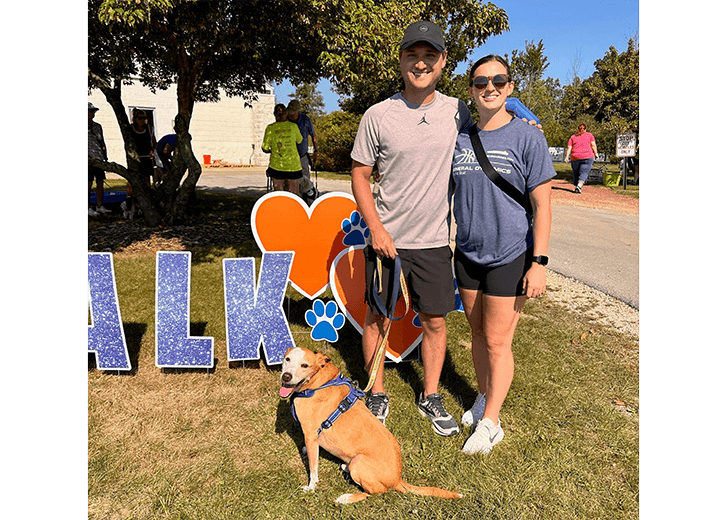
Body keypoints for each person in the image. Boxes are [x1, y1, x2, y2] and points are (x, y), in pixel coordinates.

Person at [350, 21, 473, 437]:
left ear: (442, 63)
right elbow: (360, 174)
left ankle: (431, 394)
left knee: (435, 321)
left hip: (435, 241)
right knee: (378, 319)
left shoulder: (459, 110)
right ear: (401, 60)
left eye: (429, 56)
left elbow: (494, 131)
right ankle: (377, 391)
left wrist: (525, 121)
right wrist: (376, 229)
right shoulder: (378, 115)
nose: (420, 63)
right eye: (412, 55)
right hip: (387, 240)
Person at [451, 55, 555, 454]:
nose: (489, 87)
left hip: (510, 254)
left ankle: (492, 421)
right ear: (472, 90)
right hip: (467, 253)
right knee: (476, 334)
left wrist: (539, 263)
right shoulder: (460, 137)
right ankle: (483, 397)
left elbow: (543, 205)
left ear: (510, 88)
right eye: (481, 81)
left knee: (497, 341)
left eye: (499, 80)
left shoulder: (528, 137)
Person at [122, 108, 157, 219]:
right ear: (135, 119)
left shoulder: (149, 129)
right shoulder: (130, 129)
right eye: (140, 118)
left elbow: (154, 143)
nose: (142, 121)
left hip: (146, 158)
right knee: (132, 179)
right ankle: (128, 200)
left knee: (147, 179)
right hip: (135, 159)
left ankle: (147, 202)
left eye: (144, 118)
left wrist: (152, 150)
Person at [261, 103, 303, 193]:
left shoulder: (270, 128)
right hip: (293, 166)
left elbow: (264, 148)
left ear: (275, 114)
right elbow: (299, 140)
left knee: (279, 194)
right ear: (286, 113)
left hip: (276, 166)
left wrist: (270, 151)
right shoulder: (293, 126)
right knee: (294, 194)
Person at [286, 99, 319, 203]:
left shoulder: (305, 120)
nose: (290, 116)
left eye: (292, 114)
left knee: (305, 181)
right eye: (289, 113)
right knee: (290, 181)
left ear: (298, 112)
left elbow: (313, 135)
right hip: (289, 157)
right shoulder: (285, 121)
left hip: (302, 155)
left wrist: (316, 150)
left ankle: (307, 203)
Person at [88, 102, 111, 216]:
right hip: (88, 158)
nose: (93, 114)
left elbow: (102, 142)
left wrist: (104, 154)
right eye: (91, 111)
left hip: (98, 157)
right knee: (88, 182)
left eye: (93, 111)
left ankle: (100, 205)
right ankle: (88, 207)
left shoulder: (97, 126)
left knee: (100, 181)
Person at [564, 123, 598, 193]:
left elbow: (569, 147)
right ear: (585, 129)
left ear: (578, 129)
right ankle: (579, 185)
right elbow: (593, 145)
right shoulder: (590, 135)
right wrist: (596, 153)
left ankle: (577, 185)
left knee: (576, 172)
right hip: (587, 156)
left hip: (575, 157)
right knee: (584, 172)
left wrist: (567, 157)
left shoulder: (573, 137)